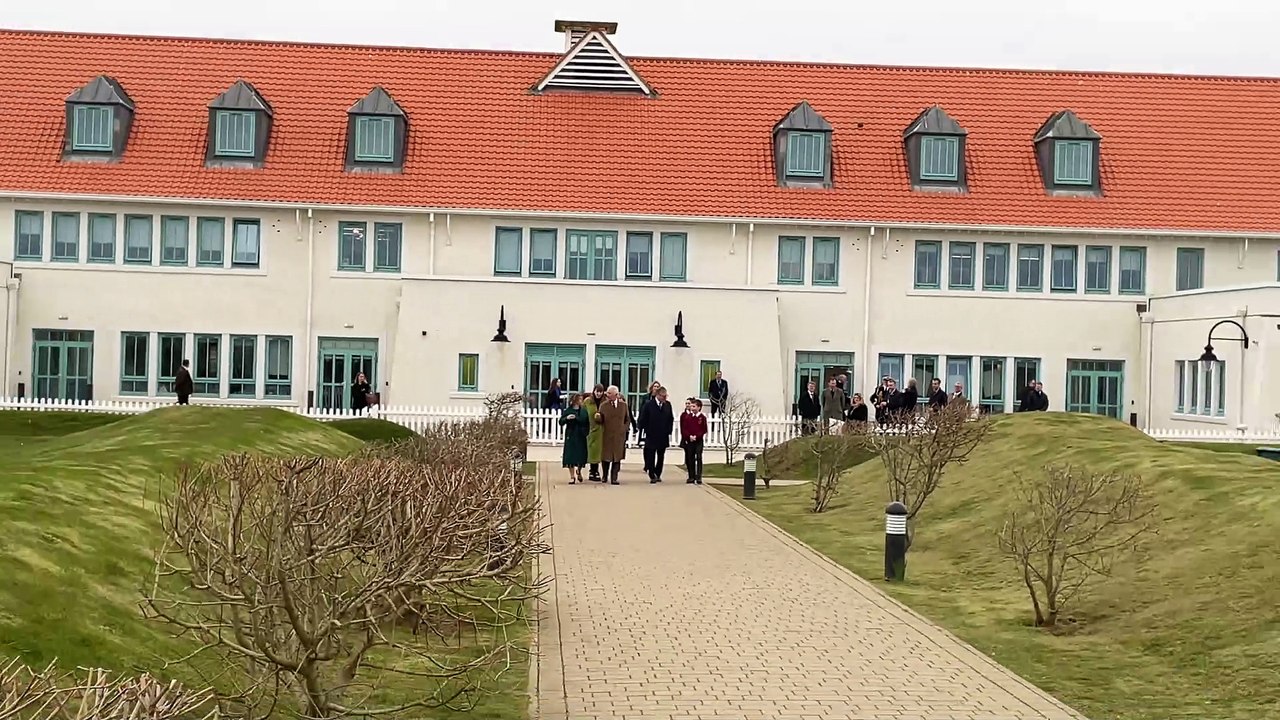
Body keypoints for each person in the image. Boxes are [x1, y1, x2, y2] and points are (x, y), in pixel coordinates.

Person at [637, 385, 675, 483]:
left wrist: (668, 431)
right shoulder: (649, 404)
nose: (665, 398)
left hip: (663, 435)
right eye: (663, 396)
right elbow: (643, 418)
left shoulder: (667, 405)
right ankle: (651, 473)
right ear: (658, 395)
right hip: (651, 434)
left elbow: (670, 419)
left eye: (666, 396)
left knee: (661, 455)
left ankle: (658, 473)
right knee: (651, 455)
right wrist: (644, 430)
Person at [596, 385, 631, 485]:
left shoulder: (623, 405)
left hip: (619, 436)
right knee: (606, 457)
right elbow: (600, 419)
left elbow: (627, 419)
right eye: (607, 393)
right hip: (607, 434)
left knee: (617, 458)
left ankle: (614, 478)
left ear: (616, 395)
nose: (607, 395)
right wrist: (598, 418)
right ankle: (604, 475)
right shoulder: (603, 405)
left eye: (609, 393)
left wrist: (624, 428)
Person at [559, 393, 589, 484]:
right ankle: (572, 476)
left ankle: (579, 470)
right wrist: (567, 418)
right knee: (570, 456)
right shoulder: (568, 410)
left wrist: (586, 432)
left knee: (580, 455)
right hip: (571, 435)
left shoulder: (583, 411)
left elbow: (586, 422)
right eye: (580, 399)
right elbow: (561, 421)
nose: (581, 401)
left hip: (580, 435)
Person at [680, 398, 708, 484]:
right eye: (691, 406)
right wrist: (689, 436)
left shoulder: (702, 418)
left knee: (698, 457)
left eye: (694, 406)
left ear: (699, 407)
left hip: (698, 441)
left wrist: (697, 436)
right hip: (690, 441)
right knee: (690, 458)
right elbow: (684, 429)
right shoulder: (688, 417)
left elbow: (704, 429)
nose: (692, 408)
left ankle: (698, 476)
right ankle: (691, 476)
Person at [582, 384, 607, 482]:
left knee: (600, 451)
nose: (599, 394)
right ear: (594, 391)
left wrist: (601, 418)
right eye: (597, 391)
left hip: (602, 430)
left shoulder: (605, 402)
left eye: (600, 392)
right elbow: (583, 413)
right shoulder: (588, 402)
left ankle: (597, 471)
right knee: (592, 450)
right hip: (591, 429)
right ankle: (592, 470)